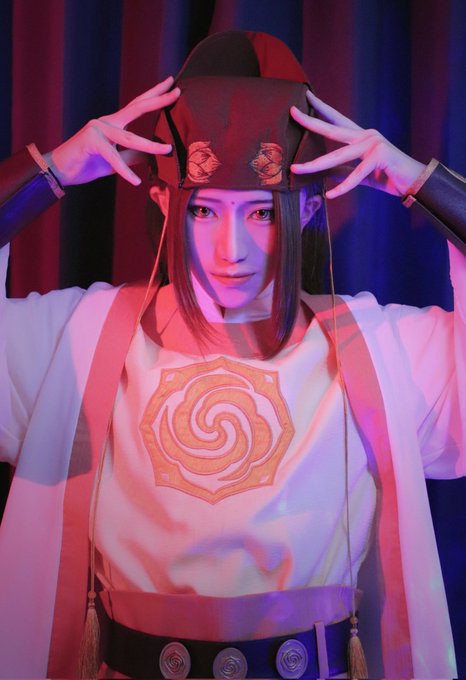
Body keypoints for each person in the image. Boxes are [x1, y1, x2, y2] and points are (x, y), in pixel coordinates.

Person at [0, 31, 464, 680]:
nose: (231, 250)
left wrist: (420, 182)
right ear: (165, 203)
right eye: (205, 211)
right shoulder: (75, 340)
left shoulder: (382, 351)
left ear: (307, 210)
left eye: (261, 214)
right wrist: (49, 172)